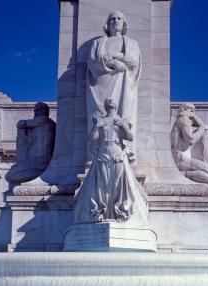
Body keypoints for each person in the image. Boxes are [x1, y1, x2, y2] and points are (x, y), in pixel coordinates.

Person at [73, 99, 149, 226]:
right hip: (103, 152)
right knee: (104, 183)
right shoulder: (99, 120)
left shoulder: (122, 120)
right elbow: (91, 138)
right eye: (108, 101)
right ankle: (103, 213)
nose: (110, 101)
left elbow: (130, 137)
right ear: (105, 105)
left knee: (117, 182)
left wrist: (123, 126)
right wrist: (97, 126)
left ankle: (117, 212)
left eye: (113, 101)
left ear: (116, 105)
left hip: (118, 152)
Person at [86, 11, 141, 160]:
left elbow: (134, 62)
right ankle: (95, 152)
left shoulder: (131, 43)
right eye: (112, 19)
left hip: (123, 83)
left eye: (119, 18)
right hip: (100, 84)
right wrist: (110, 63)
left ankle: (126, 150)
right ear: (107, 24)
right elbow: (92, 61)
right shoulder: (98, 43)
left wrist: (117, 57)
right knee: (99, 117)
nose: (116, 21)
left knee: (123, 113)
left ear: (124, 24)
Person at [6, 102, 56, 184]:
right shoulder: (52, 124)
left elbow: (20, 123)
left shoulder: (43, 120)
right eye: (35, 111)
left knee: (10, 175)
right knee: (14, 172)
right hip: (43, 160)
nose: (35, 113)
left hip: (40, 160)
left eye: (37, 110)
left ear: (43, 111)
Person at [171, 103, 208, 184]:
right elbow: (191, 140)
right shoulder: (183, 119)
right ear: (184, 109)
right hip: (181, 159)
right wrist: (202, 127)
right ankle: (180, 174)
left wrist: (195, 118)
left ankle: (181, 174)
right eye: (190, 108)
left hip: (183, 159)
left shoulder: (181, 120)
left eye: (194, 110)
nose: (193, 111)